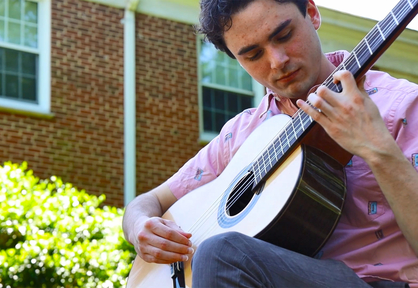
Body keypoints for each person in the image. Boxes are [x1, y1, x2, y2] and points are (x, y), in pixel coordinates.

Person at [122, 0, 418, 286]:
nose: (278, 61)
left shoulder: (400, 105)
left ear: (312, 13)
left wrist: (379, 151)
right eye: (252, 55)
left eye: (284, 35)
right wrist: (140, 228)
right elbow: (149, 202)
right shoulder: (242, 133)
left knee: (221, 253)